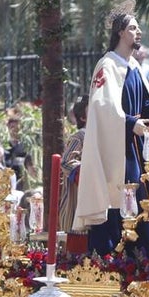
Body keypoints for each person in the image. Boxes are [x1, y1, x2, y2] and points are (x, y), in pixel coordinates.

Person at [74, 12, 149, 257]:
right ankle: (116, 257)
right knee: (125, 196)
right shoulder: (108, 65)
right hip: (119, 151)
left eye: (138, 27)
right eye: (133, 28)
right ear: (120, 32)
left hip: (136, 147)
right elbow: (102, 107)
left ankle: (144, 258)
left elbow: (146, 105)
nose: (139, 32)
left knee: (146, 195)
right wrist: (132, 123)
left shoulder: (133, 66)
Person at [59, 96, 88, 237]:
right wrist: (88, 172)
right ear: (83, 117)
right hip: (78, 200)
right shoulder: (80, 136)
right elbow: (66, 162)